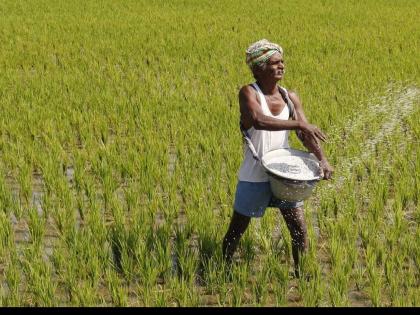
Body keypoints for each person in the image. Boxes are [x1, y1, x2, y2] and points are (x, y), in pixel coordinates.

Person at [222, 39, 333, 277]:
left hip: (284, 173)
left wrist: (322, 159)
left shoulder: (290, 97)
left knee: (298, 229)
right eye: (274, 63)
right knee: (237, 229)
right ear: (259, 68)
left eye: (282, 61)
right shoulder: (248, 93)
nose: (281, 66)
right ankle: (221, 270)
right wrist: (299, 122)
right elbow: (259, 121)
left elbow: (304, 133)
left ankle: (302, 276)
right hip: (255, 174)